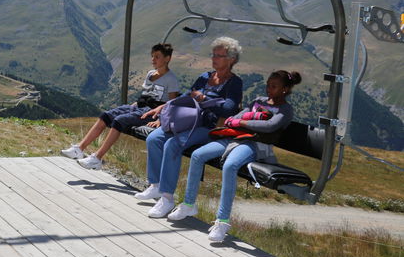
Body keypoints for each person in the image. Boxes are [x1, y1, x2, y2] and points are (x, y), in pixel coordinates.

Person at [167, 70, 302, 242]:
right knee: (198, 155)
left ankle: (222, 222)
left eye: (274, 87)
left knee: (230, 166)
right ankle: (188, 204)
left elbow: (269, 126)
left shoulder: (285, 109)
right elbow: (238, 115)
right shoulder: (258, 101)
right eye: (268, 85)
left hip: (254, 143)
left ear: (284, 89)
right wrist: (237, 120)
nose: (269, 89)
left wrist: (243, 122)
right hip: (234, 137)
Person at [138, 37, 244, 219]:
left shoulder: (234, 83)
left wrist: (203, 100)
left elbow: (229, 108)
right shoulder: (205, 77)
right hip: (189, 121)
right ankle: (155, 185)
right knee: (154, 139)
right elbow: (188, 96)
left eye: (220, 56)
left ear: (232, 59)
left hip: (209, 127)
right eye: (214, 54)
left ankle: (167, 197)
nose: (214, 58)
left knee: (172, 144)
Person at [61, 43, 180, 169]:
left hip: (152, 112)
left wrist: (160, 119)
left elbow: (172, 103)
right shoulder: (150, 74)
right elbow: (147, 94)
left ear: (167, 58)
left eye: (157, 57)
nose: (153, 60)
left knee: (119, 121)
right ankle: (79, 149)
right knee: (106, 116)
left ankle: (97, 158)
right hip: (140, 107)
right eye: (152, 56)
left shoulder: (171, 79)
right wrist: (135, 105)